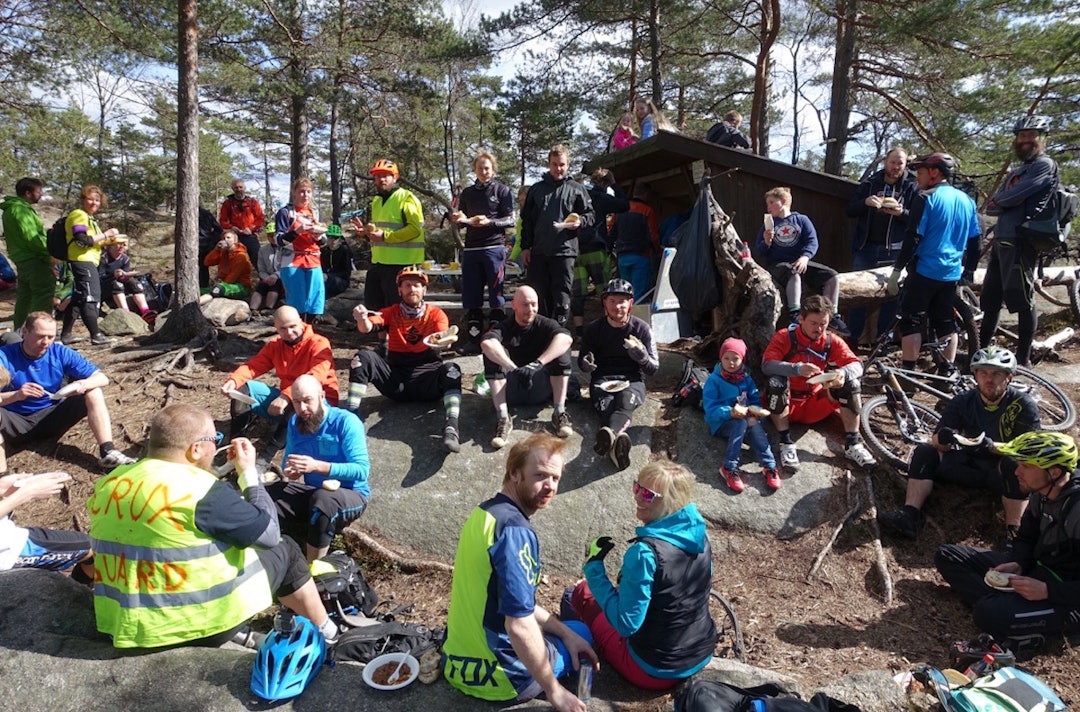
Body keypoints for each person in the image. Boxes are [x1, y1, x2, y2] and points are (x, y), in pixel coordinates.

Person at [88, 403, 338, 649]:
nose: (217, 446)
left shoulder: (111, 482)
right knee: (286, 549)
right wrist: (248, 474)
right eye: (215, 439)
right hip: (196, 626)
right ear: (196, 449)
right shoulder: (197, 489)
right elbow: (269, 534)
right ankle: (327, 633)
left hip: (124, 624)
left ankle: (245, 636)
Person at [442, 433, 598, 710]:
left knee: (568, 631)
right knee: (583, 633)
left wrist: (562, 632)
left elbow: (511, 601)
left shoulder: (484, 514)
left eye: (556, 478)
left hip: (455, 663)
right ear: (514, 473)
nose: (550, 486)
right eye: (540, 475)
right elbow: (518, 624)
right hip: (501, 678)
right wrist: (555, 691)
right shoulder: (515, 531)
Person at [568, 460, 716, 689]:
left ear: (669, 502)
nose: (637, 496)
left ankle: (570, 649)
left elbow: (626, 625)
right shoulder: (699, 536)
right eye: (637, 487)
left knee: (578, 593)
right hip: (700, 652)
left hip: (653, 669)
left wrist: (594, 567)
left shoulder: (645, 553)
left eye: (647, 494)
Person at [935, 430, 1080, 657]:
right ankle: (1008, 606)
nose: (1017, 471)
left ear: (1054, 472)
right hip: (1038, 570)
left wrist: (1047, 591)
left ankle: (1038, 629)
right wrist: (1019, 563)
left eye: (1026, 466)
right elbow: (1026, 538)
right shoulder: (1041, 493)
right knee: (948, 556)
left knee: (987, 613)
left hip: (1068, 596)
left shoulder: (1076, 509)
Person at [878, 345, 1040, 542]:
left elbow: (1030, 450)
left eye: (996, 374)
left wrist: (991, 446)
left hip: (999, 472)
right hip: (967, 464)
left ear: (1009, 377)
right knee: (925, 452)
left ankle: (1015, 536)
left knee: (1014, 464)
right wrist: (944, 438)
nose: (989, 379)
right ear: (975, 375)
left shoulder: (1023, 404)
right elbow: (937, 441)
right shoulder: (963, 400)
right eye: (983, 373)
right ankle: (909, 515)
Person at [347, 266, 463, 453]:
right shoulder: (390, 312)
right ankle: (350, 417)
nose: (412, 289)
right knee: (362, 358)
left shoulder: (435, 314)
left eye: (417, 285)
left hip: (427, 380)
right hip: (397, 381)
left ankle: (452, 427)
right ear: (399, 290)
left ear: (424, 290)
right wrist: (361, 318)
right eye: (407, 285)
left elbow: (443, 337)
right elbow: (368, 327)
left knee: (452, 369)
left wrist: (444, 343)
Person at [0, 311, 136, 470]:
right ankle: (3, 476)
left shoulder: (59, 352)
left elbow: (102, 378)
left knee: (94, 390)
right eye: (40, 336)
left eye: (50, 337)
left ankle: (108, 451)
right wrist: (16, 395)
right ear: (25, 332)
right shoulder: (5, 356)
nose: (45, 342)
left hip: (50, 416)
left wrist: (82, 384)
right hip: (15, 422)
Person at [886, 152, 981, 375]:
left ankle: (908, 373)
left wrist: (897, 270)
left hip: (924, 270)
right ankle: (946, 372)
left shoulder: (926, 198)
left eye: (920, 173)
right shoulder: (967, 200)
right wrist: (970, 269)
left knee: (911, 320)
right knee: (945, 321)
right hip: (951, 273)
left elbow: (913, 237)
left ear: (934, 173)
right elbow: (976, 240)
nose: (917, 178)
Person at [762, 295, 877, 471]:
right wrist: (797, 369)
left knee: (851, 384)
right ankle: (786, 443)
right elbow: (767, 365)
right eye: (813, 323)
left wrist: (842, 373)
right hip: (787, 402)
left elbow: (857, 365)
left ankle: (853, 444)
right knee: (776, 382)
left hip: (814, 403)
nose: (818, 329)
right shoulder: (785, 336)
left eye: (823, 324)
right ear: (801, 319)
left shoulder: (830, 340)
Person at [980, 116, 1057, 367]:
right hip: (1003, 238)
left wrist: (1005, 200)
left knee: (1022, 299)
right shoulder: (1017, 170)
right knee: (990, 299)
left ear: (1041, 138)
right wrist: (1004, 200)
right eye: (1022, 135)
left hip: (1021, 239)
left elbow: (1010, 197)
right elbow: (995, 204)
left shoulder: (1044, 165)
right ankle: (982, 354)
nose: (1025, 140)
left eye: (1031, 135)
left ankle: (1023, 360)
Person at [267, 375, 369, 562]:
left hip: (351, 494)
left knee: (323, 500)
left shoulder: (346, 421)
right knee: (265, 493)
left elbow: (361, 470)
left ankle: (313, 567)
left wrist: (317, 466)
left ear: (322, 396)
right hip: (313, 492)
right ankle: (264, 553)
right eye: (297, 402)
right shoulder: (295, 422)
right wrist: (291, 471)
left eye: (307, 400)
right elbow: (287, 462)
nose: (302, 408)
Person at [221, 305, 339, 460]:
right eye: (283, 328)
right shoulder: (275, 345)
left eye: (293, 326)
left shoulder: (319, 343)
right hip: (286, 401)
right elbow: (253, 366)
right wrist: (233, 380)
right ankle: (235, 446)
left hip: (318, 402)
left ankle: (266, 457)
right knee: (242, 389)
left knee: (298, 401)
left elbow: (316, 376)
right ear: (276, 328)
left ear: (301, 322)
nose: (289, 332)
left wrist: (286, 396)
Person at [481, 285, 574, 449]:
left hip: (540, 386)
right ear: (514, 306)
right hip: (512, 388)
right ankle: (503, 418)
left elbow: (566, 339)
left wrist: (537, 364)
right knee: (492, 353)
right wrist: (514, 369)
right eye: (525, 305)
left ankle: (559, 413)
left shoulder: (545, 324)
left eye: (534, 304)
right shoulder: (504, 326)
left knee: (562, 351)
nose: (530, 309)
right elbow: (487, 343)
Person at [578, 279, 658, 471]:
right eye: (612, 301)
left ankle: (609, 435)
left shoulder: (642, 329)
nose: (617, 307)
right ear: (604, 303)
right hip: (602, 379)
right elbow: (582, 361)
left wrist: (642, 358)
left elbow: (653, 368)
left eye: (622, 301)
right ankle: (617, 449)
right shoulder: (594, 329)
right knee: (606, 406)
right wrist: (586, 364)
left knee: (624, 401)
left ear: (630, 303)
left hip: (632, 379)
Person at [844, 147, 919, 344]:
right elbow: (850, 210)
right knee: (856, 294)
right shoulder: (870, 183)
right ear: (885, 162)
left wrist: (901, 213)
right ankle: (852, 339)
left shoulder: (912, 186)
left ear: (905, 165)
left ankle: (883, 339)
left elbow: (919, 218)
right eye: (892, 162)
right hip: (866, 247)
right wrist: (865, 202)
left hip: (895, 250)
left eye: (900, 163)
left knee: (891, 296)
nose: (896, 167)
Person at [753, 186, 848, 335]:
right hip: (777, 265)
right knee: (793, 273)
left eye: (771, 202)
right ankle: (795, 314)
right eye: (767, 204)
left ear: (784, 201)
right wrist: (766, 242)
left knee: (832, 275)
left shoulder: (801, 220)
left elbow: (812, 241)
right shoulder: (768, 224)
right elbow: (759, 251)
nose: (768, 207)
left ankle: (831, 314)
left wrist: (805, 257)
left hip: (799, 261)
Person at [520, 144, 595, 327]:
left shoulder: (577, 188)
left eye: (562, 164)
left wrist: (580, 222)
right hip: (539, 252)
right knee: (538, 296)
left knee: (561, 295)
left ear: (568, 165)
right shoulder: (536, 190)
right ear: (549, 164)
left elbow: (591, 215)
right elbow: (527, 221)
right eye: (554, 164)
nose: (558, 168)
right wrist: (525, 247)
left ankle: (559, 332)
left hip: (565, 252)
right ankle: (541, 333)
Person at [454, 151, 516, 354]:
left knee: (496, 296)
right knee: (472, 296)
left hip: (494, 248)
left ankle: (497, 340)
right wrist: (459, 220)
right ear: (475, 170)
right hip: (472, 249)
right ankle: (474, 341)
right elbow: (462, 220)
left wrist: (490, 222)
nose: (484, 171)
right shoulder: (467, 193)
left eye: (487, 168)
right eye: (480, 168)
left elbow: (511, 220)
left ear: (493, 169)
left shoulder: (502, 191)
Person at [703, 337, 780, 492]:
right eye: (726, 358)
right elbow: (711, 410)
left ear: (742, 360)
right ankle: (729, 467)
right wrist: (730, 412)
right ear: (721, 358)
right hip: (722, 423)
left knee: (753, 423)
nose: (731, 363)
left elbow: (754, 399)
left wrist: (757, 413)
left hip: (745, 418)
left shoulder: (746, 378)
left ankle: (769, 466)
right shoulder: (714, 380)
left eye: (735, 358)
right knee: (741, 422)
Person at [352, 159, 425, 311]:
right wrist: (365, 233)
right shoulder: (376, 201)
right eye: (378, 176)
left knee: (400, 312)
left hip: (402, 266)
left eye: (386, 176)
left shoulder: (406, 198)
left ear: (395, 177)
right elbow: (378, 233)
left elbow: (414, 230)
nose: (381, 179)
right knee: (374, 310)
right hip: (378, 264)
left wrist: (385, 236)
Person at [0, 470, 94, 582]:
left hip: (8, 536)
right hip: (10, 551)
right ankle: (77, 590)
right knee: (93, 548)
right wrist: (28, 492)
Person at [63, 184, 122, 346]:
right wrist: (106, 234)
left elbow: (93, 241)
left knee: (78, 298)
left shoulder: (89, 219)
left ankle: (66, 334)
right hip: (82, 261)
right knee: (90, 296)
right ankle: (96, 335)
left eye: (97, 200)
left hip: (87, 260)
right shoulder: (79, 215)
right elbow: (81, 239)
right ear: (83, 199)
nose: (94, 203)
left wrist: (109, 240)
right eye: (90, 199)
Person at [572, 169, 627, 340]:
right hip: (596, 249)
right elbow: (624, 205)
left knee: (578, 292)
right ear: (604, 183)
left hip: (576, 250)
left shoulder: (575, 195)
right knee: (604, 290)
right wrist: (614, 185)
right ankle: (608, 327)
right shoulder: (601, 197)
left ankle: (579, 332)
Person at [1, 177, 53, 329]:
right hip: (34, 259)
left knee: (25, 297)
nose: (41, 195)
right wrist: (49, 255)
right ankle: (40, 330)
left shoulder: (10, 209)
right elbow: (33, 238)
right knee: (43, 295)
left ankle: (20, 331)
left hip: (21, 260)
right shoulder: (21, 210)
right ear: (28, 193)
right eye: (39, 191)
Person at [275, 177, 326, 323]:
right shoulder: (285, 213)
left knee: (315, 301)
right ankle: (296, 331)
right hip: (292, 261)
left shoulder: (315, 213)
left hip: (313, 260)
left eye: (308, 192)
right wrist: (297, 231)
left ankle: (310, 330)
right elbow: (279, 240)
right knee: (297, 302)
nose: (305, 195)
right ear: (294, 192)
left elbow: (323, 242)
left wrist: (317, 235)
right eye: (302, 191)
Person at [610, 183, 660, 300]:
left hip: (622, 257)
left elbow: (611, 232)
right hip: (641, 257)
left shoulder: (619, 211)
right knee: (640, 295)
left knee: (626, 293)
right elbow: (654, 236)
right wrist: (658, 252)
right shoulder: (647, 210)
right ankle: (636, 312)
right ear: (646, 194)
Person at [98, 240, 156, 323]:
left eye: (124, 245)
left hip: (118, 284)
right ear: (112, 245)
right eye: (119, 244)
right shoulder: (104, 258)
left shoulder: (125, 259)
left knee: (135, 284)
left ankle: (145, 311)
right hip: (105, 286)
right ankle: (126, 313)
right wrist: (113, 275)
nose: (122, 246)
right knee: (117, 285)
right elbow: (100, 277)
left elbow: (124, 276)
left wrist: (126, 275)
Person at [199, 229, 253, 305]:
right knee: (200, 290)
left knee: (218, 289)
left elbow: (233, 276)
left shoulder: (241, 256)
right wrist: (216, 250)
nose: (225, 240)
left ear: (235, 241)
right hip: (224, 284)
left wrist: (221, 286)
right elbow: (207, 262)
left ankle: (195, 305)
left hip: (241, 287)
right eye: (224, 238)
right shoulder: (223, 252)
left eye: (228, 238)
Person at [218, 178, 265, 261]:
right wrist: (231, 227)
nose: (238, 189)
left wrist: (251, 228)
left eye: (240, 187)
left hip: (250, 235)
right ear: (232, 188)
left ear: (244, 188)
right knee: (234, 260)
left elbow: (260, 218)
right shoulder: (228, 203)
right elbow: (222, 220)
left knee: (258, 260)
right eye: (236, 187)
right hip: (234, 237)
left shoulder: (253, 202)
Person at [250, 225, 283, 314]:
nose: (273, 238)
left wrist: (276, 275)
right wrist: (266, 277)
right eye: (270, 236)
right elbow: (261, 269)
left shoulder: (286, 248)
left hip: (282, 277)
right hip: (268, 277)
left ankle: (268, 308)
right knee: (261, 287)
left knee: (275, 285)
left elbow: (288, 266)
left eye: (275, 235)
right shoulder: (263, 250)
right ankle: (252, 310)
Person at [320, 224, 353, 299]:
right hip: (326, 279)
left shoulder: (345, 250)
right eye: (330, 237)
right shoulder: (324, 251)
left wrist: (329, 276)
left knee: (330, 282)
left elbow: (346, 272)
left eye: (336, 238)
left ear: (339, 238)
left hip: (340, 281)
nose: (333, 240)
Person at [197, 207, 224, 289]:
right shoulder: (206, 213)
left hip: (204, 245)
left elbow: (218, 229)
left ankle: (203, 288)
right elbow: (218, 229)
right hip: (202, 244)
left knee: (202, 268)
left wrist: (209, 239)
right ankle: (203, 287)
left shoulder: (205, 214)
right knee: (202, 268)